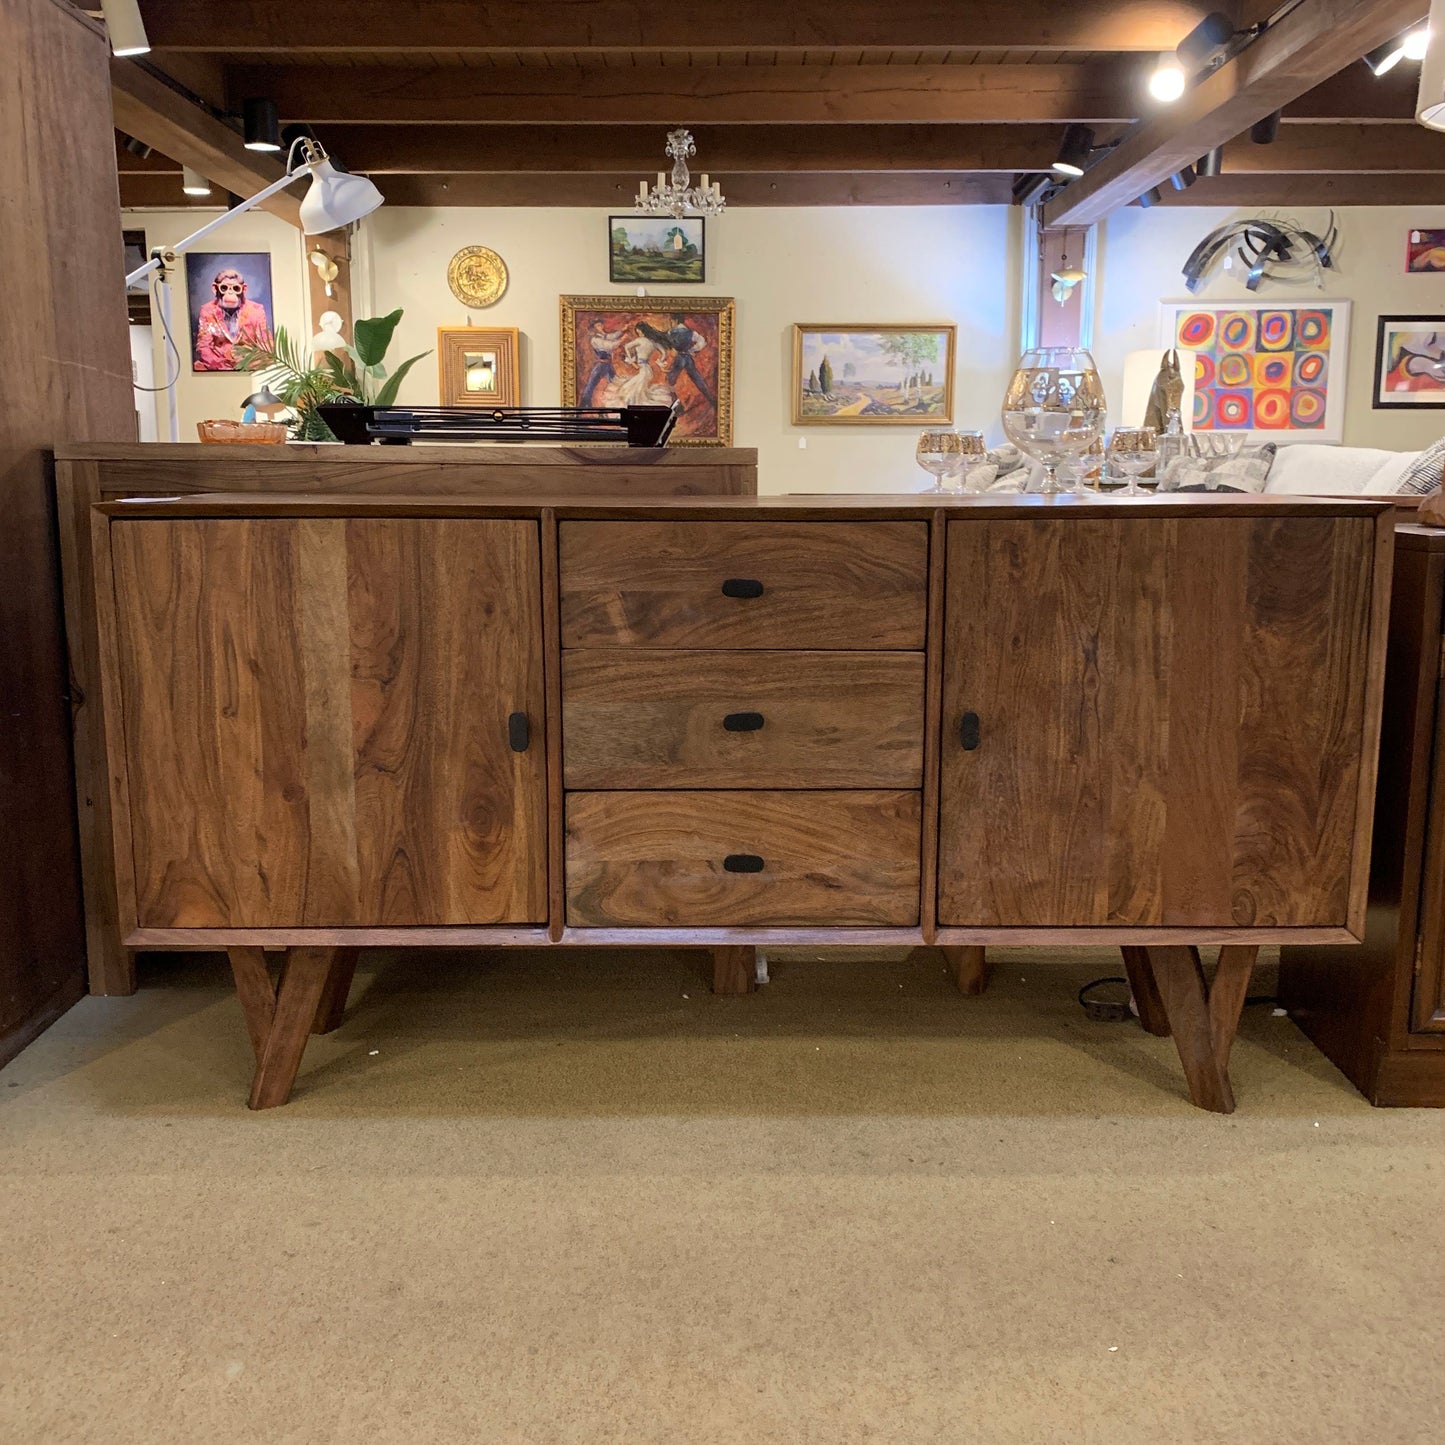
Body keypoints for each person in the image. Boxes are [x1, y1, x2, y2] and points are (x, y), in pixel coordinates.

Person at [194, 267, 272, 371]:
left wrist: (246, 364)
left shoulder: (256, 310)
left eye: (235, 288)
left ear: (243, 289)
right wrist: (222, 366)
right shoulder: (208, 310)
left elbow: (266, 345)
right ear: (215, 289)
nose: (230, 293)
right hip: (218, 364)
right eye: (224, 288)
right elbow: (204, 346)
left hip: (247, 363)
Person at [638, 314, 715, 409]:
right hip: (688, 358)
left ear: (675, 321)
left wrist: (649, 332)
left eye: (672, 321)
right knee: (697, 379)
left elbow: (662, 338)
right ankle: (711, 399)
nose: (671, 323)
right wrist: (692, 350)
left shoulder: (672, 332)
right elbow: (702, 342)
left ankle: (677, 405)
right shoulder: (690, 332)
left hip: (680, 359)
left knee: (669, 380)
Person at [580, 317, 626, 404]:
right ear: (594, 328)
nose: (600, 326)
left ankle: (615, 401)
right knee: (592, 383)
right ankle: (585, 402)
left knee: (614, 382)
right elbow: (610, 345)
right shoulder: (595, 339)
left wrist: (622, 331)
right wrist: (621, 340)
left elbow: (612, 336)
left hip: (608, 365)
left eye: (600, 324)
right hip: (602, 365)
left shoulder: (603, 335)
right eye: (597, 325)